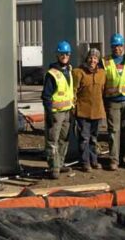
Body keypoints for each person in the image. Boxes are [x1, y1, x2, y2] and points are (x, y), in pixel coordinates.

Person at [102, 33, 125, 170]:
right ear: (111, 47)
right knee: (113, 131)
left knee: (124, 131)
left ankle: (122, 158)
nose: (118, 48)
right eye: (115, 46)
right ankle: (113, 160)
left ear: (123, 46)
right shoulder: (105, 62)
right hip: (112, 102)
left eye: (120, 45)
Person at [41, 40, 74, 179]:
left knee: (64, 139)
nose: (64, 56)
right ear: (57, 55)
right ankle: (53, 167)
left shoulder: (69, 70)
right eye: (62, 54)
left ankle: (60, 164)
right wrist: (48, 113)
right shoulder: (52, 74)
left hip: (67, 112)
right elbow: (46, 96)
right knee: (53, 140)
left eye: (66, 54)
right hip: (55, 114)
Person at [72, 47, 106, 172]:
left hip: (97, 112)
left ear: (98, 60)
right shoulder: (78, 72)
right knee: (84, 138)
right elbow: (74, 91)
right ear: (87, 58)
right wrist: (73, 108)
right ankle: (85, 162)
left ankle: (94, 160)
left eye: (95, 58)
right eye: (91, 57)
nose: (93, 60)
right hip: (83, 111)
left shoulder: (102, 73)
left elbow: (103, 91)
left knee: (94, 138)